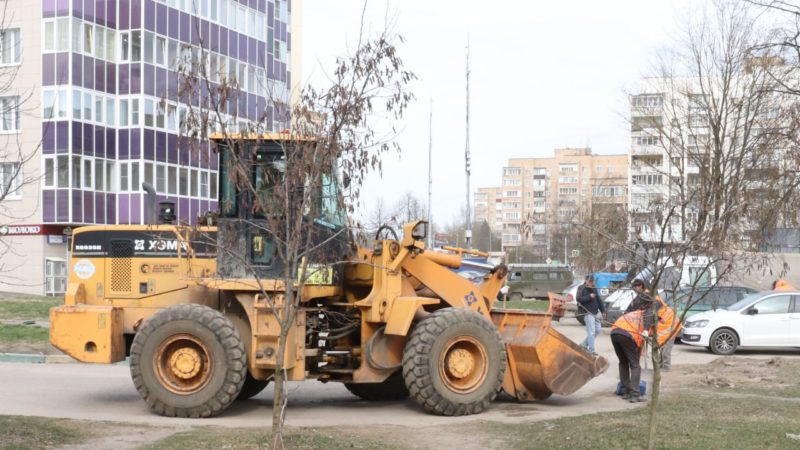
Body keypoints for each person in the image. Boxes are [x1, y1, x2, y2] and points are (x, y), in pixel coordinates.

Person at [611, 278, 654, 402]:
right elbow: (643, 333)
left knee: (623, 362)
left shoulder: (633, 311)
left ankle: (625, 391)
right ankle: (635, 394)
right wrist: (646, 330)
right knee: (635, 365)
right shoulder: (646, 313)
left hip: (615, 331)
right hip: (627, 334)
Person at [577, 274, 605, 354]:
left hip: (595, 312)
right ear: (586, 281)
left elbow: (599, 300)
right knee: (591, 331)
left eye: (593, 281)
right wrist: (589, 296)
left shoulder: (594, 288)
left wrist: (603, 311)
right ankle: (591, 350)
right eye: (590, 281)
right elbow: (578, 299)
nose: (592, 283)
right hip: (587, 312)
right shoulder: (581, 288)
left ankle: (584, 344)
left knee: (598, 330)